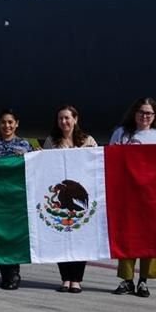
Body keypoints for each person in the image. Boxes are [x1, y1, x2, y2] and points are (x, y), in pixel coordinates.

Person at [109, 97, 156, 298]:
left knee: (150, 239)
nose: (145, 116)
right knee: (127, 238)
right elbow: (111, 159)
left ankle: (143, 281)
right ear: (134, 113)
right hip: (127, 195)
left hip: (151, 196)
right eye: (141, 112)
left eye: (149, 113)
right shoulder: (121, 133)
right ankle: (126, 280)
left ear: (155, 116)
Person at [42, 104, 98, 294]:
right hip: (61, 197)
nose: (64, 122)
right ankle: (65, 278)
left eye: (67, 118)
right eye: (60, 118)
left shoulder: (88, 141)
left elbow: (96, 165)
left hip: (80, 196)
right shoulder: (52, 141)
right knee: (62, 237)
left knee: (81, 238)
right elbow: (43, 167)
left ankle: (77, 279)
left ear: (75, 119)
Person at [0, 109, 34, 290]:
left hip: (16, 198)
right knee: (0, 236)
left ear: (17, 124)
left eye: (10, 122)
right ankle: (4, 274)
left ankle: (14, 273)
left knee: (14, 237)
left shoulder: (25, 145)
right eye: (3, 122)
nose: (7, 126)